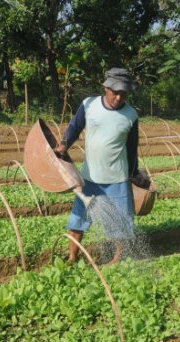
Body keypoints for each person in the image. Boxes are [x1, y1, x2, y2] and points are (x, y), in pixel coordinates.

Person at [54, 67, 149, 263]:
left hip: (118, 179)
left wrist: (134, 173)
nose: (119, 98)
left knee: (120, 222)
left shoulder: (131, 115)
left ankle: (117, 259)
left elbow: (131, 148)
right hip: (89, 177)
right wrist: (64, 144)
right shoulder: (89, 105)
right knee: (78, 219)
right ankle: (72, 257)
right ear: (106, 88)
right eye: (115, 92)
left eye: (124, 94)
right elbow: (75, 127)